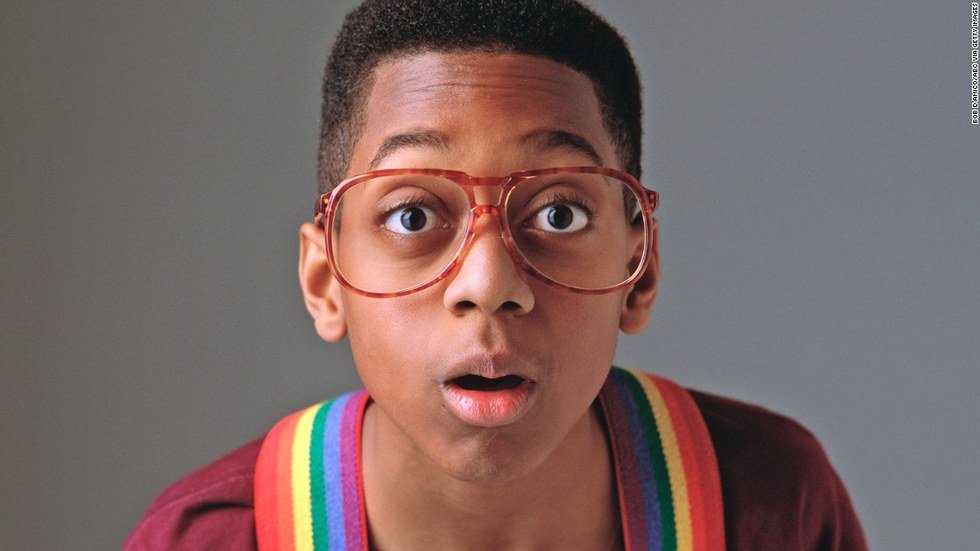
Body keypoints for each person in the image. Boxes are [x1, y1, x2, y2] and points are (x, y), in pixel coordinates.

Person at [123, 1, 868, 549]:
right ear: (325, 280)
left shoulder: (770, 503)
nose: (488, 283)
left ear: (639, 270)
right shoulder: (209, 539)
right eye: (413, 215)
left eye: (559, 214)